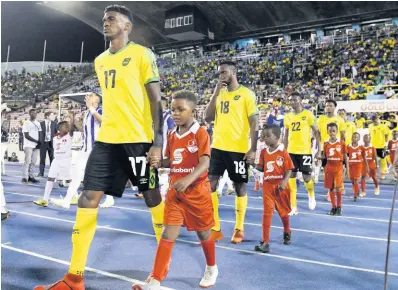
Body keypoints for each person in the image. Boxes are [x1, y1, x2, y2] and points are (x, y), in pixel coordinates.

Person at [34, 5, 165, 290]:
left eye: (112, 19)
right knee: (87, 197)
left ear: (127, 26)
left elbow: (156, 100)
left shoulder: (143, 54)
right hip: (107, 140)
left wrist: (158, 141)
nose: (105, 23)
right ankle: (74, 277)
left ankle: (161, 267)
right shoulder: (100, 60)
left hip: (138, 140)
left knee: (152, 198)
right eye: (104, 19)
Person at [133, 90, 218, 290]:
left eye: (181, 109)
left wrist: (188, 179)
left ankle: (211, 267)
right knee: (167, 233)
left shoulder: (200, 132)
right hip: (175, 193)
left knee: (203, 234)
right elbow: (170, 161)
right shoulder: (171, 134)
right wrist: (156, 162)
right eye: (173, 109)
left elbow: (205, 161)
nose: (176, 113)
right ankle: (155, 280)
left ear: (193, 110)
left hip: (197, 192)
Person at [204, 60, 259, 244]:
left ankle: (239, 228)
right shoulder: (219, 94)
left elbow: (254, 123)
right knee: (210, 185)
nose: (221, 76)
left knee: (239, 187)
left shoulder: (246, 94)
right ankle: (215, 228)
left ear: (233, 73)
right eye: (219, 73)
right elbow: (207, 117)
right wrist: (215, 93)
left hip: (238, 148)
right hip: (218, 147)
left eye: (224, 72)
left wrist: (253, 149)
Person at [51, 93, 103, 209]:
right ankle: (67, 200)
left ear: (95, 101)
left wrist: (91, 107)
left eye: (90, 97)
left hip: (95, 149)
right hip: (84, 149)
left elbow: (103, 121)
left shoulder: (99, 110)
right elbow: (82, 129)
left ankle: (108, 198)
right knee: (76, 174)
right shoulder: (87, 113)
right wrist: (73, 118)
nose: (87, 98)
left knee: (98, 176)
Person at [255, 124, 293, 253]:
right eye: (264, 136)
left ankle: (287, 231)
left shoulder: (283, 151)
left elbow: (289, 169)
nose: (265, 138)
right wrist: (251, 163)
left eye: (268, 136)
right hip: (267, 186)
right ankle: (265, 242)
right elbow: (260, 167)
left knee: (283, 212)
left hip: (280, 187)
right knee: (267, 213)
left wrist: (284, 182)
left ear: (277, 137)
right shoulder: (264, 152)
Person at [284, 93, 321, 215]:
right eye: (290, 100)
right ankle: (293, 207)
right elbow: (286, 135)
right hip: (291, 152)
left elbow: (316, 132)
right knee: (291, 178)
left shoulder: (308, 114)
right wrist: (284, 150)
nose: (292, 102)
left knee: (306, 178)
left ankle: (311, 194)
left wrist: (319, 150)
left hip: (305, 151)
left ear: (300, 100)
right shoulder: (288, 116)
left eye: (295, 99)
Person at [34, 112, 75, 207]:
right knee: (50, 178)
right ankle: (45, 199)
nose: (68, 128)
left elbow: (72, 128)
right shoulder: (55, 138)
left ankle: (75, 196)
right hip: (56, 161)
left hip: (66, 161)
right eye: (66, 126)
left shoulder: (69, 136)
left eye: (68, 126)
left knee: (69, 180)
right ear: (60, 128)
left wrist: (72, 117)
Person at [323, 123, 349, 216]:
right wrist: (321, 160)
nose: (332, 133)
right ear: (327, 131)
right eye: (330, 131)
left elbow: (346, 157)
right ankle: (333, 207)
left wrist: (347, 169)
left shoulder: (341, 143)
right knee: (331, 188)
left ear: (337, 131)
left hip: (338, 167)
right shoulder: (326, 143)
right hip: (329, 168)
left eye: (334, 131)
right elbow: (325, 157)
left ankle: (339, 207)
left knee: (338, 188)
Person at [346, 133, 368, 202]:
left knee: (356, 180)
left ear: (358, 139)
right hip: (351, 165)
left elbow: (364, 157)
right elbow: (346, 156)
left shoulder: (361, 147)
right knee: (352, 180)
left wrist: (367, 166)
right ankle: (357, 190)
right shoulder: (348, 146)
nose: (354, 138)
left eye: (356, 137)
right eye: (353, 137)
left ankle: (355, 195)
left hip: (358, 165)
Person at [22, 109, 41, 184]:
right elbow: (26, 135)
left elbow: (40, 133)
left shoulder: (38, 123)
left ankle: (31, 177)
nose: (34, 114)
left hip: (36, 146)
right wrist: (36, 141)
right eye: (33, 113)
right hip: (28, 145)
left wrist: (40, 143)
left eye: (35, 113)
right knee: (27, 161)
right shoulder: (26, 123)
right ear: (30, 114)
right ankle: (24, 177)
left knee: (33, 162)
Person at [368, 114, 389, 179]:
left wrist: (386, 144)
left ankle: (383, 174)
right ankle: (372, 174)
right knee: (372, 161)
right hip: (373, 146)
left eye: (375, 119)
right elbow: (369, 135)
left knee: (383, 161)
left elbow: (386, 136)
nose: (375, 121)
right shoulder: (370, 126)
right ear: (371, 120)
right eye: (373, 120)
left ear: (378, 119)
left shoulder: (383, 126)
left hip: (381, 146)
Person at [38, 112, 57, 177]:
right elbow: (38, 133)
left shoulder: (54, 123)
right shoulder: (41, 124)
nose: (53, 116)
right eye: (52, 115)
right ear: (47, 116)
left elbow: (57, 132)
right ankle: (41, 172)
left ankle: (52, 173)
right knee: (42, 158)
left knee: (52, 158)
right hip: (43, 143)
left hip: (51, 143)